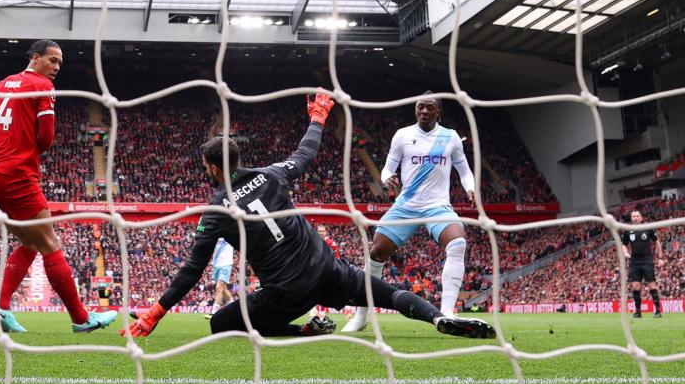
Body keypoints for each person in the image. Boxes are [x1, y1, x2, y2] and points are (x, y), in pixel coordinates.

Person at [123, 91, 494, 340]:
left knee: (221, 323)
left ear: (211, 168)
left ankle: (303, 330)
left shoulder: (216, 210)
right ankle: (437, 317)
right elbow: (306, 153)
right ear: (237, 160)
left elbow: (192, 268)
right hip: (327, 270)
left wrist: (156, 312)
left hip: (286, 292)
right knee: (388, 292)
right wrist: (317, 117)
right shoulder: (270, 174)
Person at [0, 39, 116, 334]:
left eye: (59, 63)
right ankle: (81, 319)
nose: (56, 67)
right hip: (17, 175)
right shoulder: (42, 87)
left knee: (29, 243)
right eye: (52, 60)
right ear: (35, 57)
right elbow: (45, 139)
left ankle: (1, 307)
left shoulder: (1, 85)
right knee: (50, 244)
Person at [343, 91, 474, 332]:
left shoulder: (450, 137)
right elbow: (387, 168)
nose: (423, 111)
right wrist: (387, 179)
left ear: (438, 112)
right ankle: (361, 317)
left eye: (429, 108)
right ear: (415, 110)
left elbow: (464, 169)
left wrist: (470, 188)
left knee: (457, 243)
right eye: (420, 107)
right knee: (376, 253)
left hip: (437, 205)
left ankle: (447, 313)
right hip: (406, 206)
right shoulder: (402, 135)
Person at [622, 209, 664, 318]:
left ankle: (658, 311)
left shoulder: (647, 228)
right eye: (633, 216)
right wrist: (626, 252)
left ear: (641, 218)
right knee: (635, 286)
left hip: (647, 260)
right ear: (631, 218)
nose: (635, 218)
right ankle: (638, 311)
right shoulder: (628, 230)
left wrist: (660, 257)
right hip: (634, 262)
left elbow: (657, 242)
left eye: (637, 216)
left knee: (651, 285)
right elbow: (624, 244)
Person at [204, 238, 234, 320]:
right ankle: (234, 309)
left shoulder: (231, 230)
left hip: (226, 264)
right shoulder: (215, 231)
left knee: (219, 287)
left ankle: (214, 312)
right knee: (223, 289)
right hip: (216, 265)